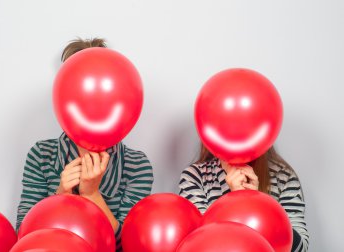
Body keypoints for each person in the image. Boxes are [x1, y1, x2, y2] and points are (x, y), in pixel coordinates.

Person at [16, 38, 154, 251]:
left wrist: (92, 195)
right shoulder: (41, 155)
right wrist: (61, 196)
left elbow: (128, 246)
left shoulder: (137, 165)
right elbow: (24, 238)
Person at [179, 145, 309, 252]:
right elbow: (196, 245)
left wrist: (257, 205)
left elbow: (300, 248)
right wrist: (235, 203)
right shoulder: (195, 176)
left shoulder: (284, 177)